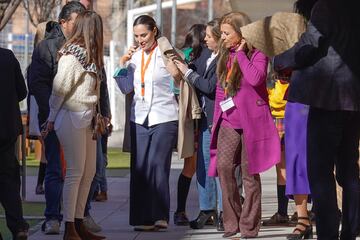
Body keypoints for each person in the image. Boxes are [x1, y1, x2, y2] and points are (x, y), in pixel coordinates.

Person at [274, 0, 360, 239]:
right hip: (353, 101)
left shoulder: (327, 6)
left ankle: (328, 233)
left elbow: (310, 44)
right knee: (349, 172)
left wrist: (279, 60)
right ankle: (351, 232)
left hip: (327, 99)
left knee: (320, 172)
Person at [208, 12, 280, 238]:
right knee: (225, 167)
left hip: (252, 122)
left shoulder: (257, 53)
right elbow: (221, 88)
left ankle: (249, 226)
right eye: (222, 34)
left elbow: (256, 78)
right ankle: (232, 222)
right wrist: (215, 119)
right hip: (229, 120)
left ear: (242, 33)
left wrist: (240, 55)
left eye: (227, 34)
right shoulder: (224, 54)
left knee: (250, 175)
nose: (223, 38)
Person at [114, 15, 181, 231]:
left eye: (144, 34)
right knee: (140, 168)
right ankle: (142, 218)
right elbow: (126, 88)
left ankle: (160, 215)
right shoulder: (134, 58)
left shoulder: (167, 54)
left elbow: (183, 83)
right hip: (139, 117)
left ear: (154, 31)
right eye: (136, 36)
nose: (140, 39)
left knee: (157, 166)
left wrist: (176, 74)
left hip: (164, 116)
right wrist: (122, 65)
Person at [44, 10, 106, 240]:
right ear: (92, 30)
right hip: (70, 117)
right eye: (98, 28)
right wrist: (50, 119)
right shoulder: (72, 56)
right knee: (75, 172)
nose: (101, 33)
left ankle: (79, 224)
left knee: (89, 173)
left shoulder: (91, 55)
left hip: (87, 119)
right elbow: (58, 90)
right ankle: (69, 227)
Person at [28, 1, 86, 234]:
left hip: (81, 117)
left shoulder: (85, 44)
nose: (80, 26)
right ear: (63, 22)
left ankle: (80, 216)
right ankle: (53, 216)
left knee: (81, 170)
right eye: (76, 22)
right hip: (55, 117)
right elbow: (37, 83)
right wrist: (53, 110)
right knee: (54, 167)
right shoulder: (46, 47)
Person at [174, 19, 224, 230]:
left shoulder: (225, 58)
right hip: (204, 119)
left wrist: (188, 73)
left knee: (221, 168)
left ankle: (224, 211)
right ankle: (206, 209)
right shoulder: (206, 54)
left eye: (209, 37)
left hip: (219, 119)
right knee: (203, 166)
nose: (205, 40)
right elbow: (192, 67)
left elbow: (209, 86)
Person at [173, 23, 207, 226]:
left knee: (189, 166)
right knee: (197, 165)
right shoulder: (197, 56)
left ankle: (180, 211)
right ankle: (202, 209)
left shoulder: (181, 55)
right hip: (197, 117)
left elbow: (175, 89)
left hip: (185, 117)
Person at [0, 47, 29, 240]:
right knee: (8, 179)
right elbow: (22, 92)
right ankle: (18, 225)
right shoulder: (8, 57)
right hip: (6, 129)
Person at [26, 22, 48, 195]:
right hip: (42, 107)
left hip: (37, 107)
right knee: (48, 147)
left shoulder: (34, 60)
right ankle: (42, 183)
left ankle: (41, 183)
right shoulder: (42, 58)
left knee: (47, 147)